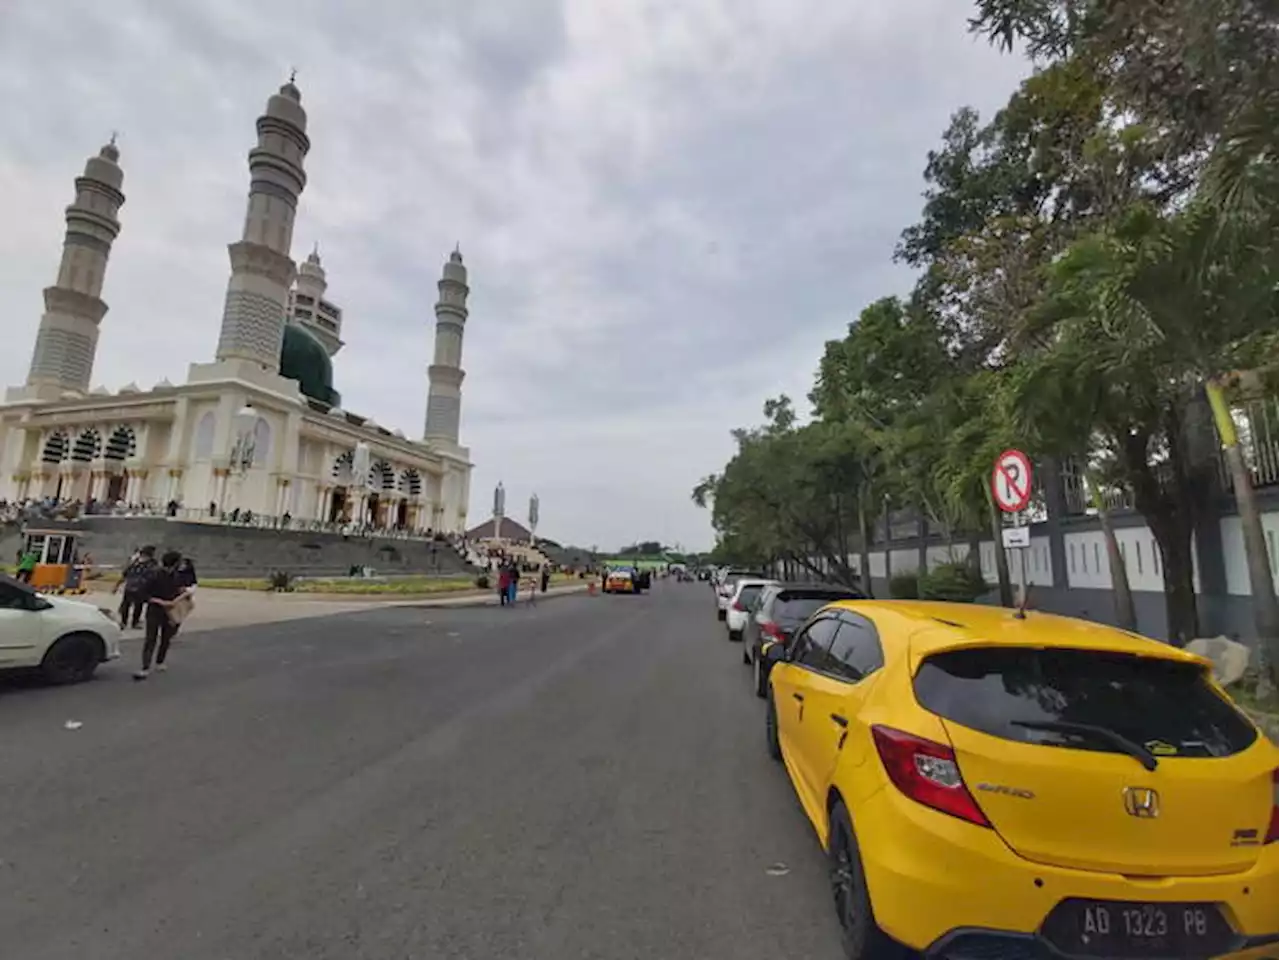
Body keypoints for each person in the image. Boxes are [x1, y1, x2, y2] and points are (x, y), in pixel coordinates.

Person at [133, 550, 185, 680]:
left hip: (170, 611)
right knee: (151, 638)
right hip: (155, 610)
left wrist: (182, 594)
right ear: (175, 563)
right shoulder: (154, 575)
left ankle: (160, 661)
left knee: (166, 637)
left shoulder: (176, 576)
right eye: (179, 562)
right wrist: (159, 601)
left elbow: (178, 591)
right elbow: (142, 593)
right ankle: (145, 667)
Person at [113, 545, 156, 629]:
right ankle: (124, 622)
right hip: (132, 587)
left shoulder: (151, 564)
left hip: (140, 588)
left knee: (137, 606)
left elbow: (153, 577)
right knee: (127, 606)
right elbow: (125, 574)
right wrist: (117, 585)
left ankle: (133, 622)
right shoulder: (135, 563)